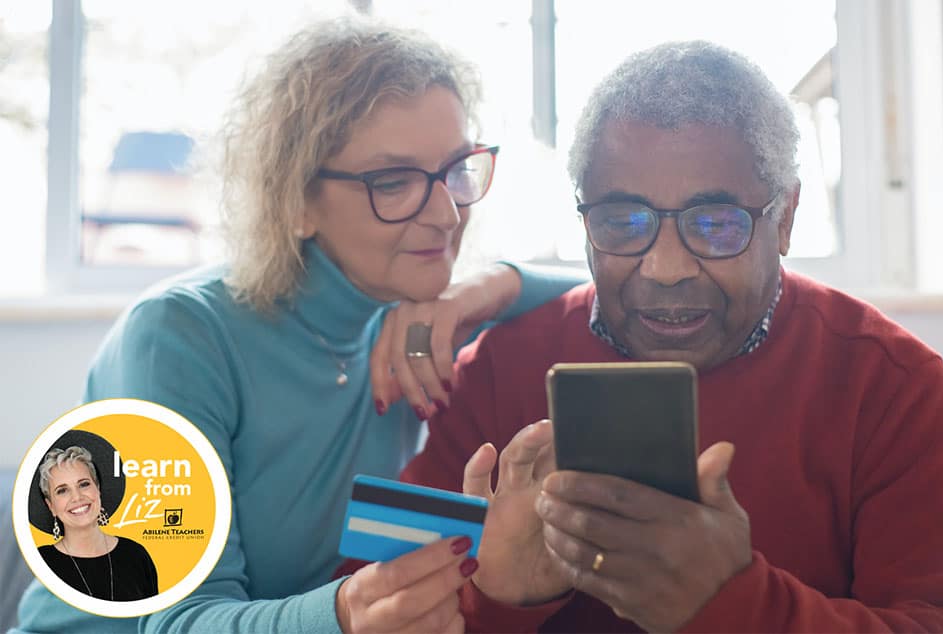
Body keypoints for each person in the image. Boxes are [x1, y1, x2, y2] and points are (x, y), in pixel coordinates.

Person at [13, 16, 585, 634]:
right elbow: (173, 622)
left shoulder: (411, 319)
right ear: (297, 200)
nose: (446, 213)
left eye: (454, 170)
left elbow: (603, 289)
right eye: (393, 183)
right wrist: (343, 613)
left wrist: (484, 289)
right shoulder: (177, 337)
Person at [396, 40, 943, 631]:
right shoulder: (496, 371)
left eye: (715, 224)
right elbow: (375, 599)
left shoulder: (895, 389)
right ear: (584, 221)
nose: (665, 268)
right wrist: (497, 598)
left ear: (784, 218)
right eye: (623, 221)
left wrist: (736, 601)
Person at [34, 445, 159, 602]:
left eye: (84, 484)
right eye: (62, 490)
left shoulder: (136, 555)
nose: (77, 497)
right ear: (51, 506)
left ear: (98, 489)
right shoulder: (38, 562)